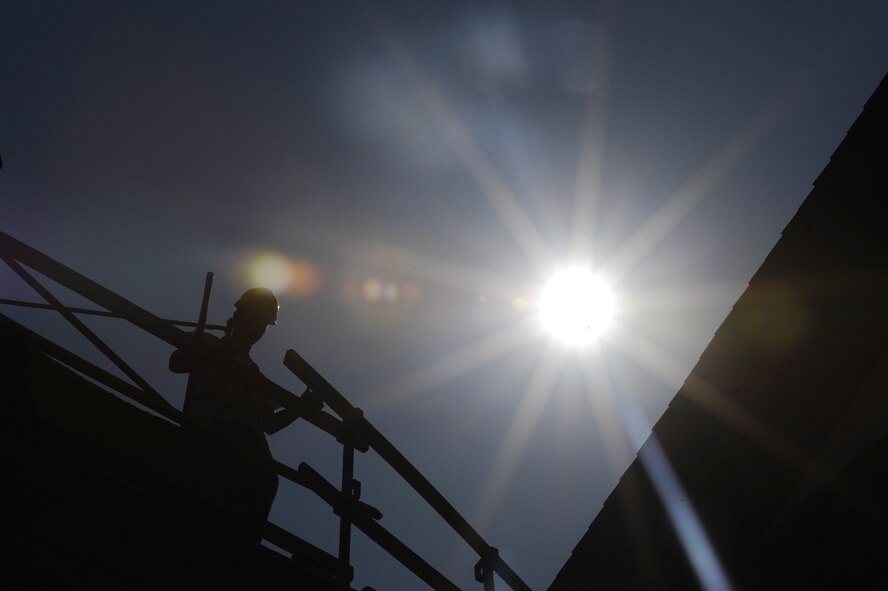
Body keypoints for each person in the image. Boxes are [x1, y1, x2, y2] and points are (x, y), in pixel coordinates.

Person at [169, 287, 301, 541]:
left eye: (263, 324)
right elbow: (176, 362)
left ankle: (244, 544)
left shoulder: (254, 374)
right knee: (221, 496)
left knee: (264, 484)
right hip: (217, 436)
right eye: (257, 319)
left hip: (254, 450)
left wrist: (299, 407)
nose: (259, 329)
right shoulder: (208, 343)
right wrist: (219, 351)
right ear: (239, 316)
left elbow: (269, 424)